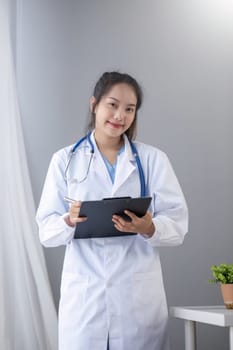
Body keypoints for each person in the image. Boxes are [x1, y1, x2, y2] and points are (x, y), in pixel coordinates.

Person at [36, 71, 188, 350]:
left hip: (137, 300)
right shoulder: (64, 160)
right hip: (85, 297)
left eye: (129, 109)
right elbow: (46, 232)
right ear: (94, 104)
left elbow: (177, 224)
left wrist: (149, 228)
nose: (120, 115)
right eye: (113, 105)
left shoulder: (153, 160)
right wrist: (68, 221)